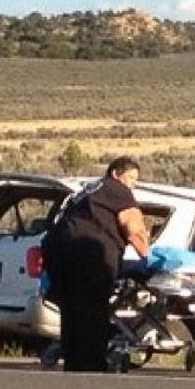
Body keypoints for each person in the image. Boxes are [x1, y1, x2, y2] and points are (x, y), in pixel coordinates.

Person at [49, 156, 150, 371]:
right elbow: (131, 222)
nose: (133, 184)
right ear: (115, 173)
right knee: (93, 309)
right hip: (90, 255)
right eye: (131, 178)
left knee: (72, 310)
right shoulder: (117, 189)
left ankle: (73, 360)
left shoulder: (87, 191)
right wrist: (144, 252)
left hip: (61, 253)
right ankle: (92, 362)